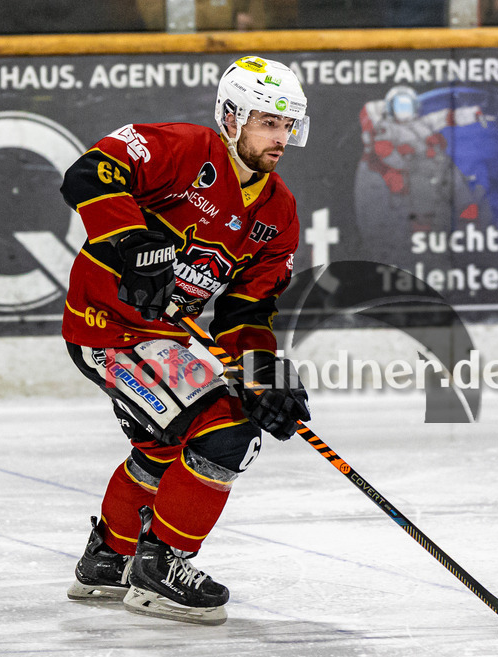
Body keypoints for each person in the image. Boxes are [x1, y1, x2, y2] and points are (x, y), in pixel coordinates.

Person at [58, 55, 312, 626]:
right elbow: (88, 174)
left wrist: (261, 371)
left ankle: (110, 559)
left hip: (167, 340)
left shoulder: (279, 211)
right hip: (108, 329)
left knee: (166, 447)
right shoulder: (181, 148)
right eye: (268, 122)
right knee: (228, 430)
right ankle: (163, 566)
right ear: (231, 117)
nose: (281, 137)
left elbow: (247, 308)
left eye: (288, 124)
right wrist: (130, 241)